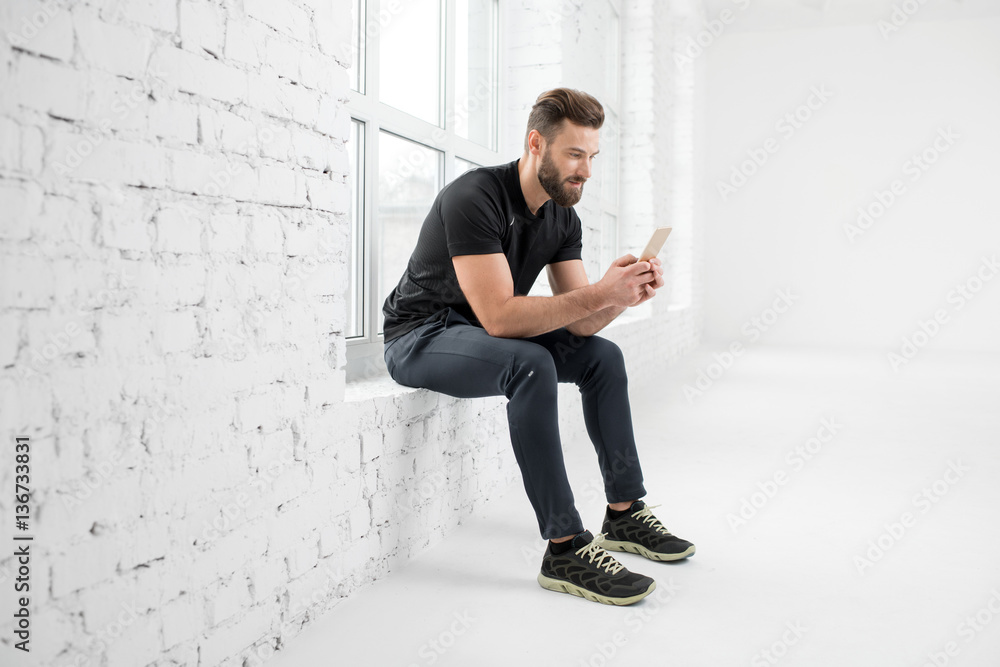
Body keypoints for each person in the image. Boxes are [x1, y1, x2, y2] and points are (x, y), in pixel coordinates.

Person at [382, 88, 694, 606]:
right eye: (575, 154)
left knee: (603, 358)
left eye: (592, 157)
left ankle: (624, 513)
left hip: (479, 335)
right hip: (422, 335)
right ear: (536, 144)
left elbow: (583, 322)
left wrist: (623, 296)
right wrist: (601, 293)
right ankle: (565, 547)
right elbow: (501, 317)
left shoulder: (561, 217)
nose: (586, 171)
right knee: (529, 364)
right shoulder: (474, 197)